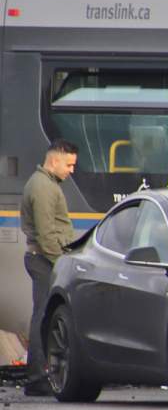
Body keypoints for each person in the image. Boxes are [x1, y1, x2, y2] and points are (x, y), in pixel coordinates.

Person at [19, 139, 78, 396]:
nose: (71, 170)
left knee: (43, 315)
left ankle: (40, 375)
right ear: (55, 160)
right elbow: (46, 235)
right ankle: (36, 378)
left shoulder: (45, 183)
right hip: (45, 260)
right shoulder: (44, 188)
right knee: (42, 317)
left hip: (45, 259)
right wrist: (62, 262)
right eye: (69, 164)